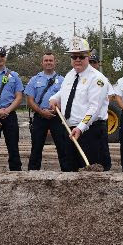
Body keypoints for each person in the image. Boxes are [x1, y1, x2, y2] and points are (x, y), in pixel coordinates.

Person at [48, 37, 110, 172]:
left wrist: (81, 127)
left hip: (90, 132)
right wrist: (54, 98)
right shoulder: (70, 74)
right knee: (69, 170)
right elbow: (63, 93)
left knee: (91, 173)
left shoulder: (97, 79)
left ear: (87, 57)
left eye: (81, 56)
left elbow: (94, 108)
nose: (77, 60)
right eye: (74, 56)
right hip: (70, 129)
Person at [25, 52, 67, 171]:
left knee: (62, 147)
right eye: (46, 60)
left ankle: (67, 172)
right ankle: (33, 173)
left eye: (51, 60)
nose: (48, 62)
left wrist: (57, 108)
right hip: (39, 117)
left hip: (57, 117)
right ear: (42, 63)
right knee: (36, 148)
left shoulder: (63, 80)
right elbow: (30, 100)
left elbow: (66, 98)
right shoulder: (34, 80)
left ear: (55, 63)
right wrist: (41, 112)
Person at [89, 53, 114, 170]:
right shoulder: (83, 79)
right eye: (90, 62)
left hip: (99, 120)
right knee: (90, 149)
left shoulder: (102, 79)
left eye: (94, 62)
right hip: (86, 121)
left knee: (102, 148)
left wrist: (102, 102)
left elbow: (112, 95)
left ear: (98, 64)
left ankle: (106, 169)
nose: (92, 65)